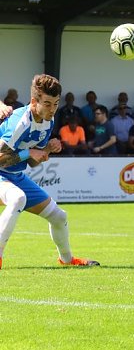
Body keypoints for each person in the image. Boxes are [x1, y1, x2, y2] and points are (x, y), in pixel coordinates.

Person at [0, 74, 99, 269]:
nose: (52, 109)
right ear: (34, 101)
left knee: (59, 216)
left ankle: (67, 260)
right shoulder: (20, 122)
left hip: (15, 176)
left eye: (55, 104)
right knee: (18, 198)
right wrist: (29, 152)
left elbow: (33, 162)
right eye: (47, 103)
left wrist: (46, 151)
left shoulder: (48, 122)